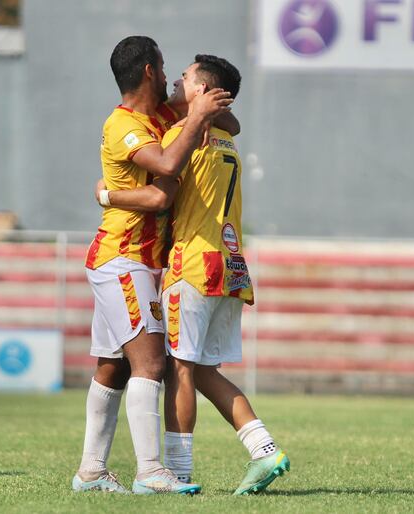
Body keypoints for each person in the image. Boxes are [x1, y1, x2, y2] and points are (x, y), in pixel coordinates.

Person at [96, 54, 290, 496]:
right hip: (231, 265)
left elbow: (160, 183)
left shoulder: (185, 137)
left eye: (184, 78)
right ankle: (264, 450)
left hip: (194, 265)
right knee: (202, 371)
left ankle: (178, 473)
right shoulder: (223, 136)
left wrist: (108, 194)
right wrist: (208, 110)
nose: (176, 82)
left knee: (179, 370)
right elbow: (230, 122)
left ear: (201, 92)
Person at [73, 36, 235, 495]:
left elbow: (233, 124)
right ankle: (150, 471)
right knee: (150, 362)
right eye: (165, 68)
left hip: (138, 260)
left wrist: (202, 104)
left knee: (113, 366)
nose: (170, 78)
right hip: (124, 258)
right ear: (149, 70)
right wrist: (197, 116)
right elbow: (163, 173)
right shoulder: (123, 125)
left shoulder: (165, 114)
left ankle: (90, 471)